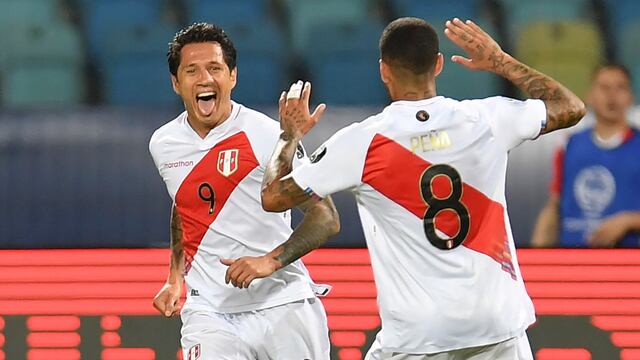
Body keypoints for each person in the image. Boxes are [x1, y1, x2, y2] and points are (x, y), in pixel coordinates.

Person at [225, 17, 586, 359]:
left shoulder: (362, 142)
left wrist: (289, 135)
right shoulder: (486, 120)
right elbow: (570, 107)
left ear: (383, 70)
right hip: (498, 321)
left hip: (420, 332)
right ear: (439, 64)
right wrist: (500, 61)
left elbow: (273, 197)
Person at [148, 22, 339, 360]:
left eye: (215, 68)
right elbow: (185, 204)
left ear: (232, 76)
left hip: (284, 304)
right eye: (191, 70)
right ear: (176, 83)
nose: (205, 79)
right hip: (210, 311)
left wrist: (270, 261)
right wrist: (174, 276)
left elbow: (325, 217)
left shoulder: (268, 136)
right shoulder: (164, 144)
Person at [532, 64, 640, 248]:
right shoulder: (569, 145)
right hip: (574, 261)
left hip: (628, 264)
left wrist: (628, 221)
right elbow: (555, 204)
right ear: (589, 96)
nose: (612, 96)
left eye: (620, 88)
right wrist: (535, 254)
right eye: (605, 88)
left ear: (630, 97)